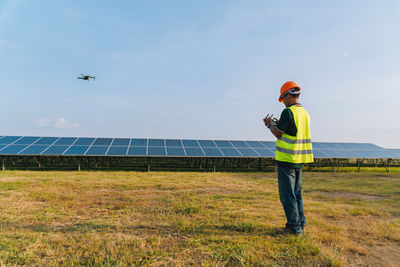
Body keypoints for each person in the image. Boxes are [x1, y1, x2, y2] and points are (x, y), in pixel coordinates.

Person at [263, 81, 313, 235]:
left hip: (286, 160)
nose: (283, 102)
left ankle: (294, 228)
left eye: (283, 98)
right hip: (299, 160)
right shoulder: (304, 113)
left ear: (289, 96)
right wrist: (279, 123)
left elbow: (279, 133)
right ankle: (301, 224)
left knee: (287, 196)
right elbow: (292, 130)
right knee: (297, 194)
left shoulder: (288, 111)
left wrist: (269, 124)